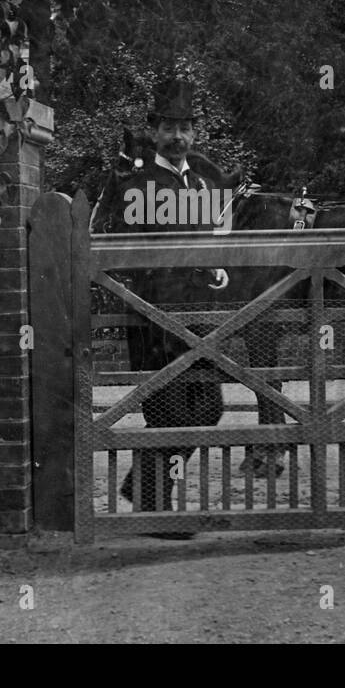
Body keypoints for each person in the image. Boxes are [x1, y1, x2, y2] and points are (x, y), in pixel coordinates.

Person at [115, 78, 228, 539]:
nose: (178, 137)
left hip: (198, 318)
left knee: (208, 407)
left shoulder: (202, 182)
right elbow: (126, 252)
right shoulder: (137, 183)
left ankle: (140, 489)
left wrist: (217, 271)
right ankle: (156, 509)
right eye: (169, 128)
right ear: (153, 131)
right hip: (153, 318)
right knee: (166, 411)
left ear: (195, 134)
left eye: (185, 128)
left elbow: (207, 245)